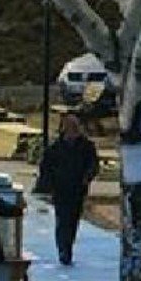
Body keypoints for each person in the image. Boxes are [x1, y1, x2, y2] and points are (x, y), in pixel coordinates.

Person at [39, 113, 99, 265]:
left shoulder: (86, 147)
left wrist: (87, 177)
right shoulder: (55, 148)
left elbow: (93, 165)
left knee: (73, 220)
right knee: (62, 219)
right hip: (60, 189)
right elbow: (46, 167)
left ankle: (68, 245)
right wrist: (48, 185)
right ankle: (63, 249)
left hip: (78, 189)